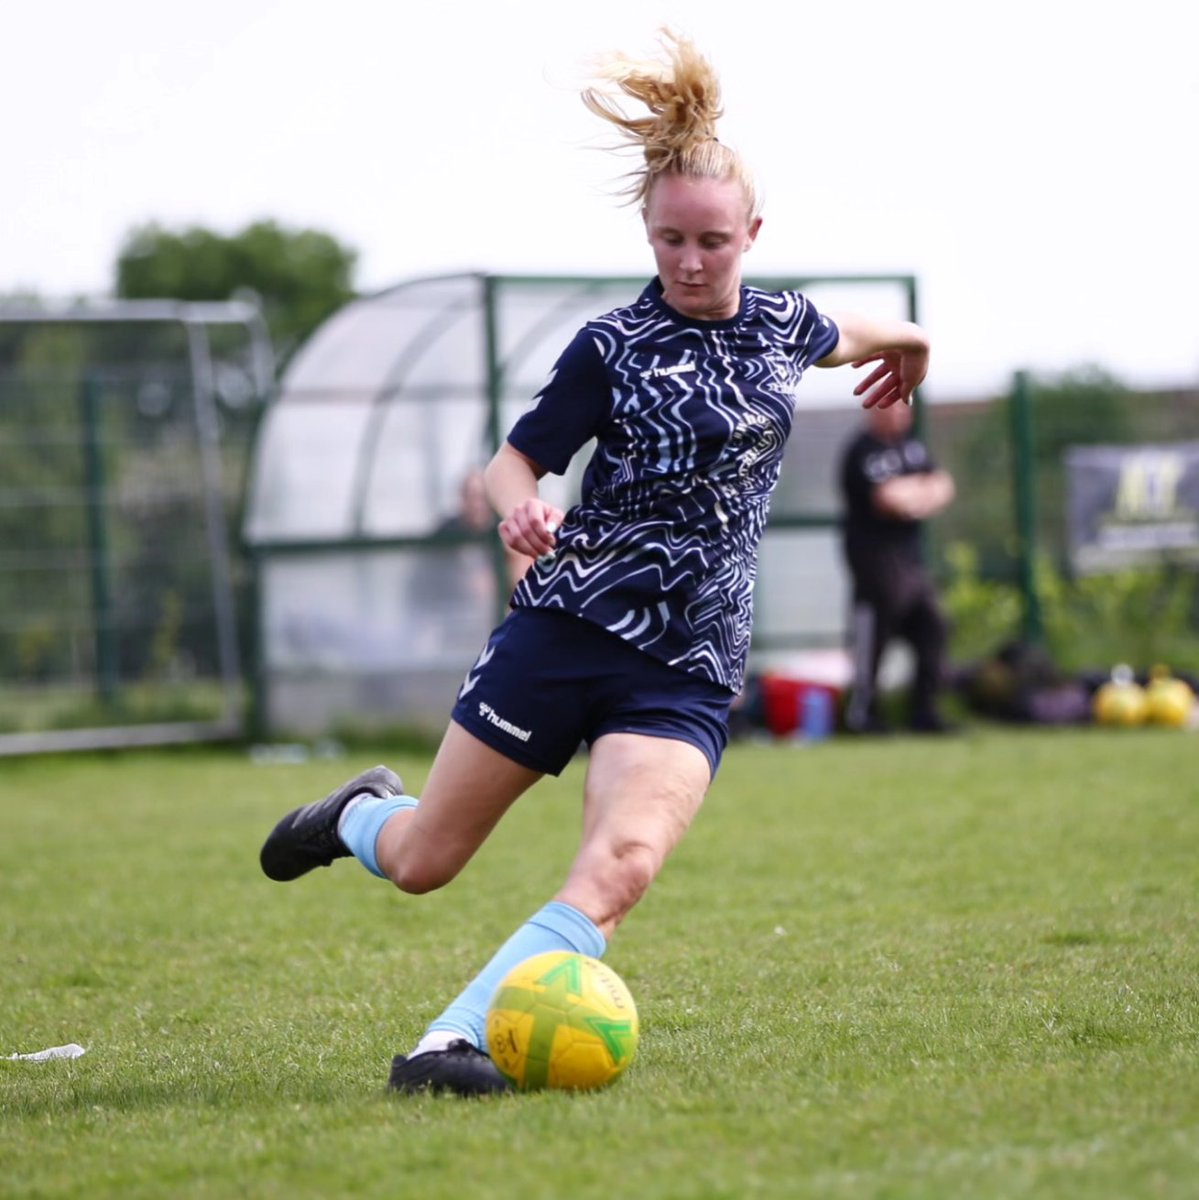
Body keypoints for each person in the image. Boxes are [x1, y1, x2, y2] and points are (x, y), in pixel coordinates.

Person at [258, 29, 932, 1097]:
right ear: (648, 233)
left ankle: (444, 1044)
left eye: (712, 240)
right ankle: (353, 816)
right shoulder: (609, 348)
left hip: (689, 664)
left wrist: (913, 347)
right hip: (567, 628)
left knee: (617, 871)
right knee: (427, 859)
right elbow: (511, 464)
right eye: (670, 240)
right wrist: (520, 511)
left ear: (752, 232)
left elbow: (864, 328)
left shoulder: (783, 327)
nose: (691, 261)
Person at [838, 398, 956, 734]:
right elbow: (888, 499)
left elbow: (944, 486)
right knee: (874, 632)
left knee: (933, 624)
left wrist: (914, 496)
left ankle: (925, 711)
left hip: (910, 560)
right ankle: (863, 713)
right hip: (874, 560)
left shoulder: (913, 448)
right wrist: (920, 493)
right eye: (892, 407)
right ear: (873, 410)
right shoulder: (862, 451)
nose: (900, 414)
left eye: (905, 408)